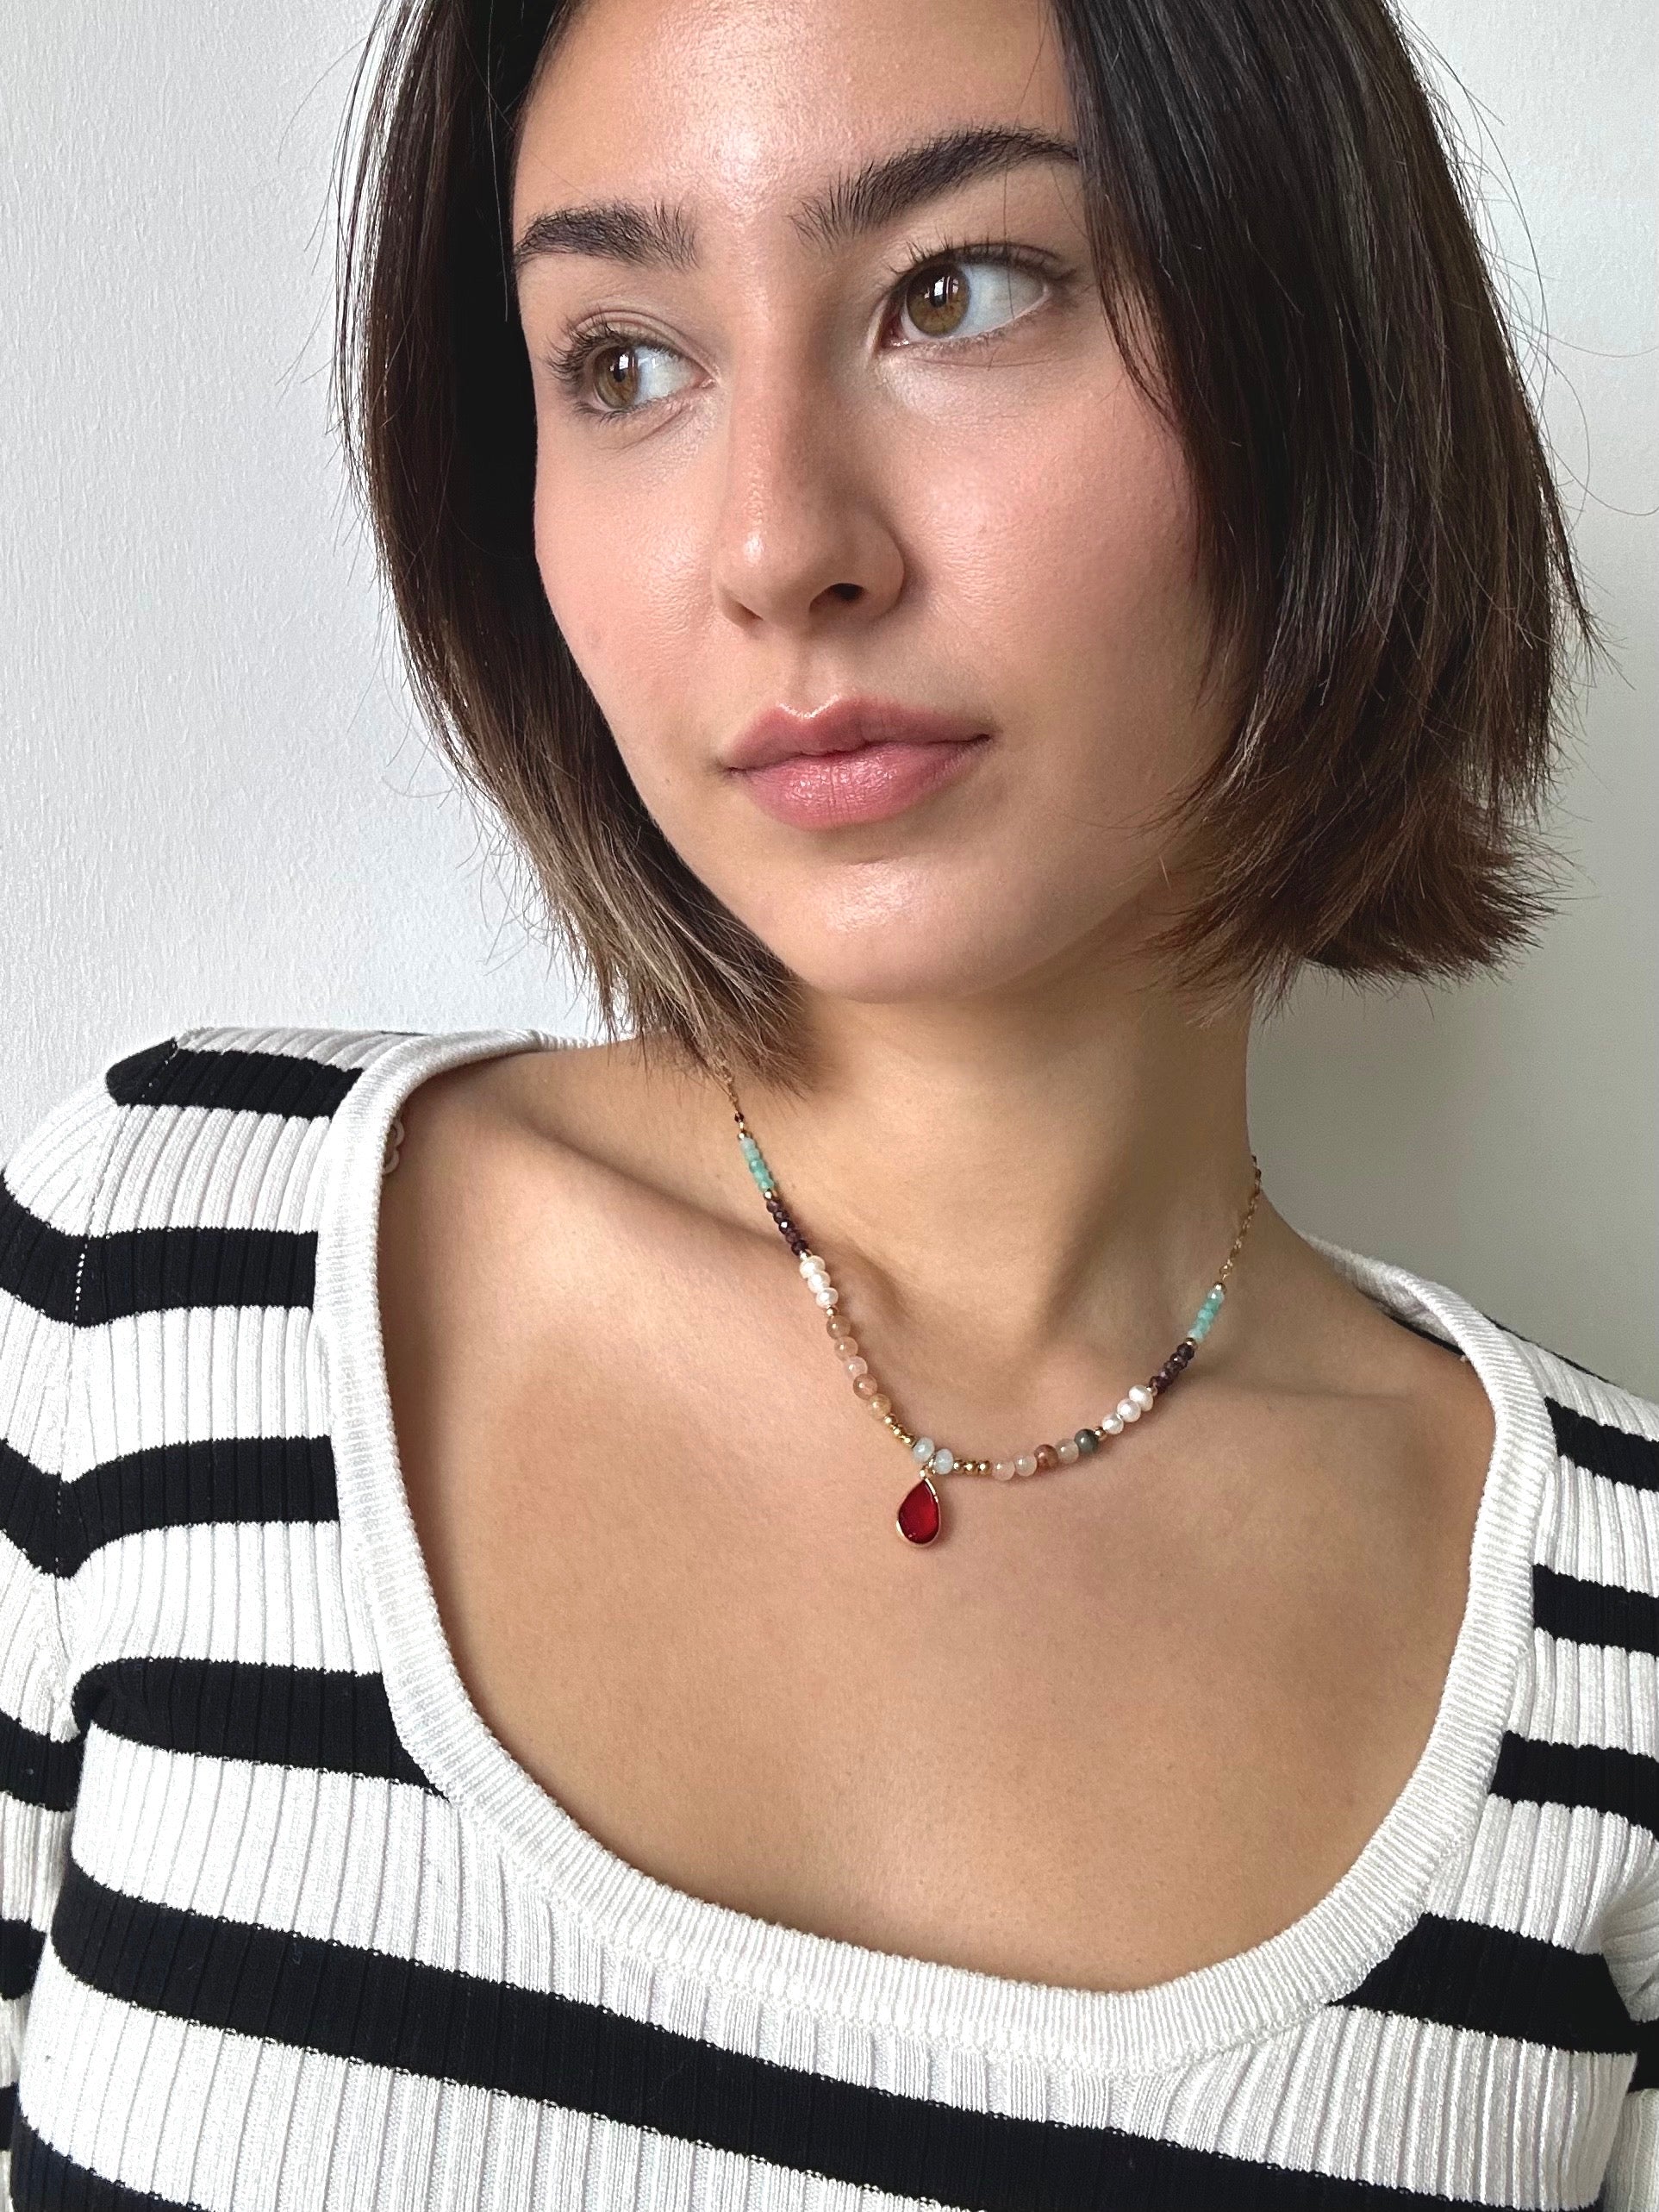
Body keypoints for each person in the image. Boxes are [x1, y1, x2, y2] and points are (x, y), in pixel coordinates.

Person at [1, 0, 1653, 2202]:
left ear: (1319, 346)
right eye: (622, 361)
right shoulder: (150, 1284)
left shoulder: (1620, 1657)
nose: (779, 545)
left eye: (957, 291)